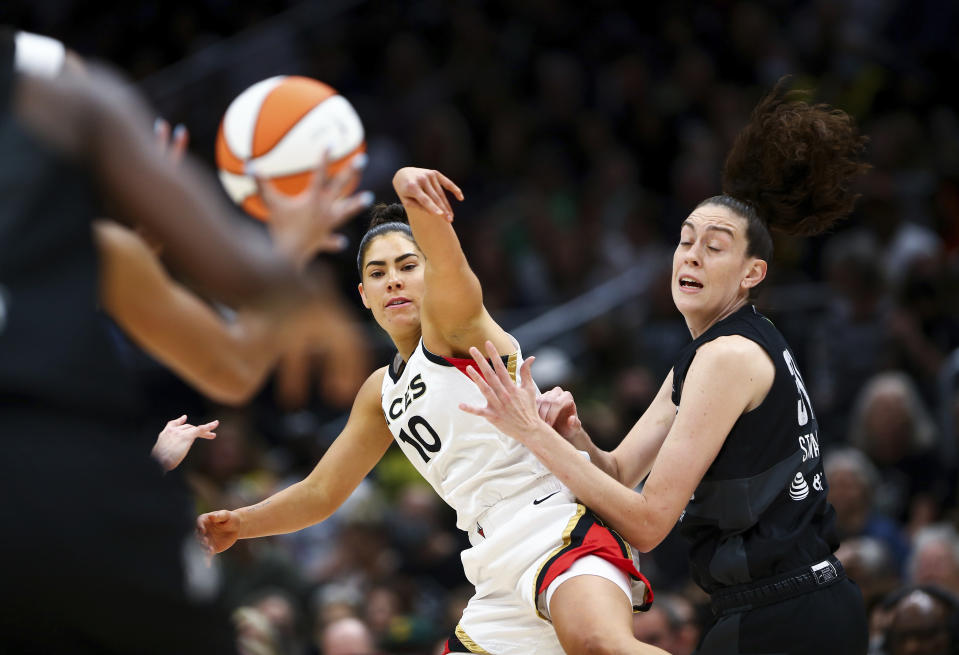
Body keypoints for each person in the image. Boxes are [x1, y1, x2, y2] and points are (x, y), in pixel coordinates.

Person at [460, 80, 871, 654]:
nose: (692, 255)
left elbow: (648, 523)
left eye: (715, 245)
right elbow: (620, 475)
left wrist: (529, 433)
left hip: (787, 614)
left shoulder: (728, 356)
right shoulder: (712, 352)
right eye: (685, 240)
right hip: (774, 609)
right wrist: (571, 434)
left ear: (752, 273)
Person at [199, 167, 669, 655]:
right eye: (377, 274)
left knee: (601, 646)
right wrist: (242, 523)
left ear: (431, 272)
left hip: (556, 522)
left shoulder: (456, 330)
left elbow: (454, 272)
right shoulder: (379, 392)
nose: (393, 282)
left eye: (408, 265)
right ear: (363, 295)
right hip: (493, 558)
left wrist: (408, 187)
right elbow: (320, 492)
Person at [0, 29, 363, 653]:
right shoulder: (79, 162)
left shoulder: (100, 242)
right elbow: (236, 365)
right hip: (68, 496)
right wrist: (291, 245)